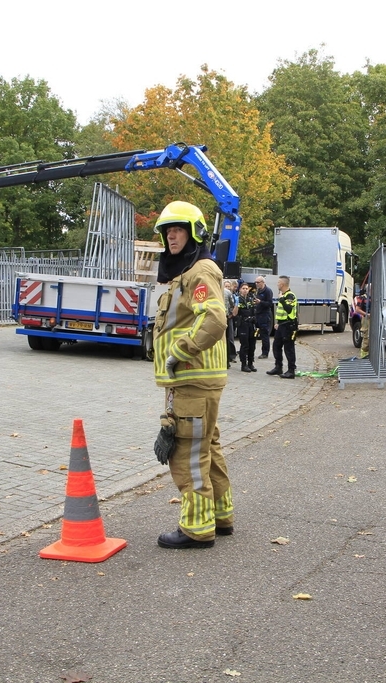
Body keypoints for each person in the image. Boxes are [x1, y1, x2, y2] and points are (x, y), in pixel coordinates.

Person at [151, 201, 233, 549]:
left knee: (187, 453)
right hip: (197, 380)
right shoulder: (189, 272)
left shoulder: (199, 271)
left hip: (192, 378)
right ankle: (219, 515)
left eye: (178, 229)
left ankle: (197, 528)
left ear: (195, 232)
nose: (171, 235)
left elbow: (214, 318)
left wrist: (179, 352)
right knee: (207, 448)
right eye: (167, 231)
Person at [266, 275, 298, 379]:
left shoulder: (290, 296)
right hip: (281, 325)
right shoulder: (283, 295)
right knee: (276, 346)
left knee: (289, 348)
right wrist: (278, 322)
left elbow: (288, 309)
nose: (277, 284)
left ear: (282, 284)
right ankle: (278, 367)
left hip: (289, 325)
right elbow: (281, 312)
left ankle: (291, 370)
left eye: (278, 282)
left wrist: (282, 299)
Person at [236, 282, 258, 372]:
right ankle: (243, 364)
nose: (245, 290)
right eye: (243, 288)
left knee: (252, 344)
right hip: (243, 324)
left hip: (251, 324)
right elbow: (235, 313)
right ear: (240, 289)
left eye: (246, 288)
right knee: (245, 345)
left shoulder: (250, 298)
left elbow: (254, 310)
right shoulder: (238, 299)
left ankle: (250, 363)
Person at [254, 275, 273, 359]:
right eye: (256, 282)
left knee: (264, 335)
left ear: (262, 282)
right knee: (254, 334)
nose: (256, 284)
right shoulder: (258, 291)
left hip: (264, 316)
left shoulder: (268, 291)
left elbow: (269, 304)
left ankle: (265, 353)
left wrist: (260, 302)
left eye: (258, 282)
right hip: (258, 315)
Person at [223, 280, 238, 368]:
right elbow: (232, 305)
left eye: (229, 286)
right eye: (226, 286)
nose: (228, 288)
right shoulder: (228, 293)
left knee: (224, 339)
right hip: (227, 317)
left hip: (220, 317)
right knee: (228, 338)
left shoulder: (217, 291)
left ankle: (226, 359)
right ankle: (227, 361)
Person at [354, 284, 370, 359]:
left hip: (375, 320)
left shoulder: (376, 298)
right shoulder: (362, 298)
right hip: (366, 319)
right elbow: (357, 309)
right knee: (366, 337)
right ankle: (364, 356)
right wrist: (366, 314)